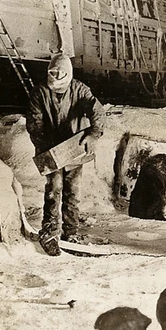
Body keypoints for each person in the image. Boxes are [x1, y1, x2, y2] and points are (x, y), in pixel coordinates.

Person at [26, 53, 107, 256]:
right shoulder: (39, 93)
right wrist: (49, 149)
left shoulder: (80, 90)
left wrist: (94, 134)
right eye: (52, 72)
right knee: (54, 189)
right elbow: (34, 124)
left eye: (61, 73)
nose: (56, 76)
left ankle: (70, 233)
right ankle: (51, 231)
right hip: (50, 150)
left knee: (72, 192)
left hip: (74, 149)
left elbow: (97, 111)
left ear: (69, 74)